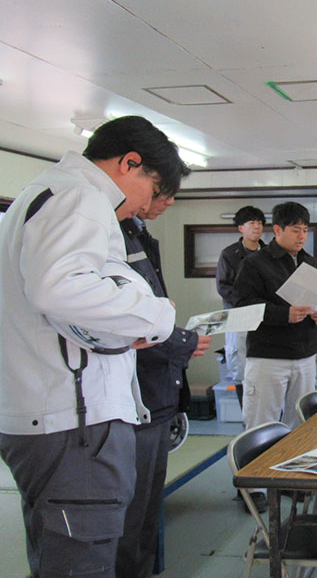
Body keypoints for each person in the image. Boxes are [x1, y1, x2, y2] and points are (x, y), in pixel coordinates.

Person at [0, 116, 186, 578]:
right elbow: (59, 289)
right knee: (82, 561)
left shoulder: (42, 194)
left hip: (50, 414)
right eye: (153, 190)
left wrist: (125, 314)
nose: (146, 206)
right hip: (75, 424)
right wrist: (158, 315)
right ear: (130, 164)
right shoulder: (80, 197)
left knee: (63, 555)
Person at [116, 187, 212, 578]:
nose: (169, 203)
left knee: (146, 507)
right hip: (132, 396)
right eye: (162, 192)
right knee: (127, 512)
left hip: (159, 393)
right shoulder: (107, 232)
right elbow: (128, 320)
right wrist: (181, 342)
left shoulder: (138, 234)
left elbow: (151, 312)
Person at [233, 202, 317, 510]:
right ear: (276, 230)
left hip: (304, 354)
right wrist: (283, 314)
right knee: (260, 420)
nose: (301, 236)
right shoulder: (255, 264)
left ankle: (288, 479)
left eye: (305, 230)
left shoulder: (310, 263)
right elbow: (242, 307)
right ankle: (254, 488)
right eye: (295, 230)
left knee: (297, 422)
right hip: (268, 357)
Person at [216, 206, 266, 388]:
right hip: (238, 317)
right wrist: (246, 304)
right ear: (241, 228)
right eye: (251, 223)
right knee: (241, 367)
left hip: (264, 315)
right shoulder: (229, 254)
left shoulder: (268, 253)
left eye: (260, 223)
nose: (257, 227)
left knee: (265, 366)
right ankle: (246, 413)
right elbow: (223, 286)